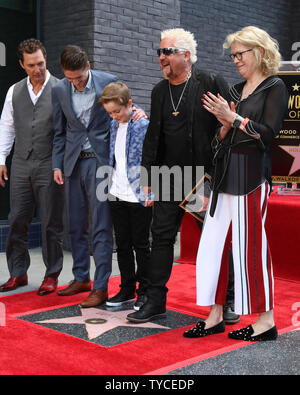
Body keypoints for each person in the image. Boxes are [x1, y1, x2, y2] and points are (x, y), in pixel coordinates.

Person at [183, 26, 289, 341]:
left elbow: (268, 134)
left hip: (252, 175)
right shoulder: (235, 89)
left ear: (258, 51)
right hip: (223, 174)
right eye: (233, 56)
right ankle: (215, 315)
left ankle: (265, 321)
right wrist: (225, 126)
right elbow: (218, 138)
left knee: (250, 249)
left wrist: (234, 120)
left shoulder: (275, 86)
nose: (236, 60)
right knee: (211, 247)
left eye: (239, 54)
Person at [127, 28, 233, 323]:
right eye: (159, 52)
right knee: (160, 239)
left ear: (186, 55)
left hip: (202, 177)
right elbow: (153, 135)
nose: (161, 58)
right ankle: (155, 300)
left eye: (166, 52)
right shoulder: (159, 90)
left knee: (212, 240)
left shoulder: (210, 82)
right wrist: (147, 175)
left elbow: (229, 123)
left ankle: (227, 300)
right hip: (166, 176)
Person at [52, 45, 146, 308]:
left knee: (102, 226)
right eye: (70, 79)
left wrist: (138, 111)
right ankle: (80, 277)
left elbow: (124, 103)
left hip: (101, 163)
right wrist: (56, 164)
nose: (76, 83)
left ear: (88, 66)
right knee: (75, 224)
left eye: (80, 77)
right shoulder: (59, 89)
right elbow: (59, 132)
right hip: (72, 164)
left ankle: (101, 286)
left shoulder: (107, 80)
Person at [0, 39, 64, 296]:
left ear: (45, 60)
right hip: (21, 164)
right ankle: (18, 272)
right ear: (21, 65)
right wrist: (1, 159)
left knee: (51, 221)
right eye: (31, 65)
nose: (37, 69)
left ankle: (51, 275)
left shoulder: (61, 89)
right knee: (17, 219)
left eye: (40, 63)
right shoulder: (14, 91)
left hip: (49, 164)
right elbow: (7, 126)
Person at [99, 82, 153, 311]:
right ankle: (127, 288)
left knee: (141, 245)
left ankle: (145, 292)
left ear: (129, 104)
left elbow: (153, 156)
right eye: (110, 112)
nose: (114, 116)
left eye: (117, 111)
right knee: (122, 244)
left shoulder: (142, 124)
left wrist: (154, 189)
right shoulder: (114, 124)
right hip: (117, 192)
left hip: (139, 194)